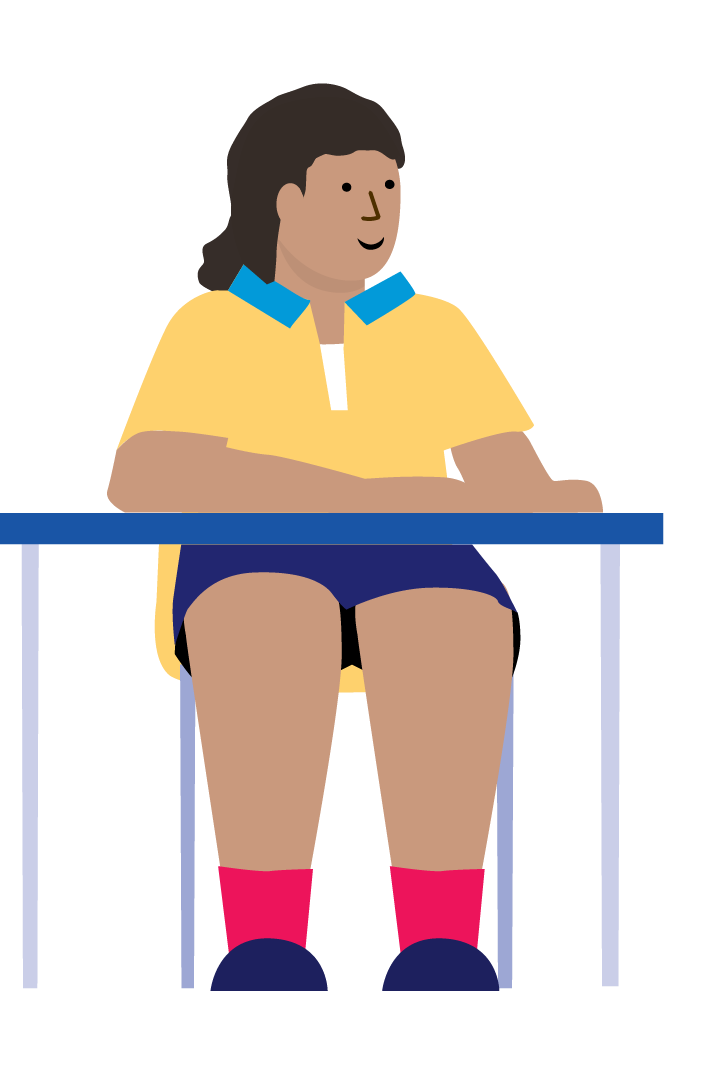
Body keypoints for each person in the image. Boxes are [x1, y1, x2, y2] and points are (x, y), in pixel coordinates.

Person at [107, 83, 601, 990]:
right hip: (250, 553)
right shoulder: (211, 326)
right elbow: (143, 479)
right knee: (271, 621)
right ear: (282, 200)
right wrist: (393, 492)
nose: (377, 212)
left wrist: (540, 498)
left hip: (416, 555)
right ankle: (264, 944)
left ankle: (442, 944)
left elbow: (517, 491)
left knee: (455, 625)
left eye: (389, 188)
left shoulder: (433, 328)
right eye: (347, 189)